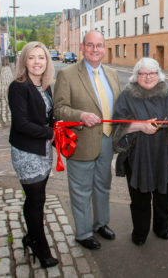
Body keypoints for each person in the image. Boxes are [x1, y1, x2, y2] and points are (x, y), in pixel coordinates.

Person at [53, 30, 121, 250]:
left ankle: (101, 223)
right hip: (81, 141)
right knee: (81, 190)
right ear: (82, 47)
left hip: (107, 140)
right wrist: (80, 115)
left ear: (104, 48)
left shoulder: (112, 73)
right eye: (90, 45)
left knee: (103, 186)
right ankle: (83, 233)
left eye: (99, 45)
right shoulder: (68, 74)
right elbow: (59, 109)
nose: (95, 50)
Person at [112, 58, 168, 245]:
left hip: (162, 153)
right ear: (136, 76)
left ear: (158, 75)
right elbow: (118, 125)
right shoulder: (127, 96)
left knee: (163, 195)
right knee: (140, 198)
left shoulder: (167, 94)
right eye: (143, 73)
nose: (147, 77)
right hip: (136, 155)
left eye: (152, 73)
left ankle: (162, 228)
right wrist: (140, 126)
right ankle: (140, 232)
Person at [8, 41, 58, 268]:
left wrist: (59, 126)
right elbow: (21, 124)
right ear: (24, 61)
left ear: (47, 62)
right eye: (32, 57)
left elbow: (47, 116)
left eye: (41, 57)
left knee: (37, 198)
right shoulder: (18, 87)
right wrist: (51, 132)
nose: (37, 62)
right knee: (36, 199)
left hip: (44, 149)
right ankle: (40, 246)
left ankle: (30, 236)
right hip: (27, 151)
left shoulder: (46, 85)